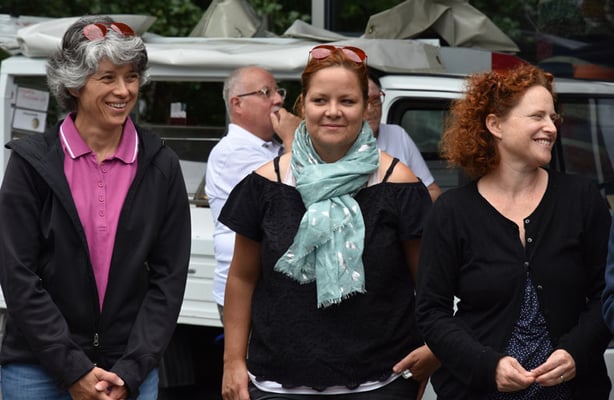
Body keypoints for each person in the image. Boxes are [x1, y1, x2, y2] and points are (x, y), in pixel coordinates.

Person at [219, 44, 439, 400]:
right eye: (320, 100)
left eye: (347, 101)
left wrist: (434, 347)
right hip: (277, 385)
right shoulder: (264, 185)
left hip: (381, 383)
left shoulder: (398, 184)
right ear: (302, 105)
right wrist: (232, 361)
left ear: (365, 107)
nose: (333, 111)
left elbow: (429, 282)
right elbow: (242, 278)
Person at [0, 15, 191, 400]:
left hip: (128, 369)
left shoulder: (160, 164)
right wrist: (73, 368)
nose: (124, 90)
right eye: (108, 77)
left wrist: (132, 368)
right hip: (36, 368)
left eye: (132, 77)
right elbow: (18, 275)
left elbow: (168, 279)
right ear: (74, 83)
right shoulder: (32, 162)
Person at [415, 64, 612, 399]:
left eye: (553, 117)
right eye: (537, 116)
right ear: (495, 125)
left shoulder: (581, 198)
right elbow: (432, 313)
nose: (551, 127)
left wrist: (575, 352)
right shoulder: (451, 211)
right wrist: (487, 365)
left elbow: (606, 295)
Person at [205, 65, 300, 323]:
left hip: (270, 288)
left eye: (278, 91)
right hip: (249, 291)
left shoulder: (270, 147)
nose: (278, 99)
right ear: (237, 104)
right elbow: (287, 198)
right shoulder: (234, 153)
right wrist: (293, 140)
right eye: (265, 92)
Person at [365, 71, 442, 201]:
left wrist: (398, 205)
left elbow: (433, 192)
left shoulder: (397, 135)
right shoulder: (338, 144)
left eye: (376, 100)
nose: (371, 109)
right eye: (364, 101)